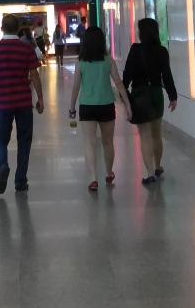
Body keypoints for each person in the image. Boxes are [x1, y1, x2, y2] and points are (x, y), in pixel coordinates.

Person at [0, 13, 44, 194]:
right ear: (18, 29)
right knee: (24, 141)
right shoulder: (26, 49)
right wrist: (40, 98)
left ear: (2, 28)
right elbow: (35, 75)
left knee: (0, 140)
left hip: (3, 104)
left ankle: (2, 165)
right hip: (24, 103)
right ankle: (20, 181)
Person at [67, 27, 131, 191]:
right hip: (106, 106)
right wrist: (128, 105)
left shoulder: (81, 62)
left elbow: (76, 86)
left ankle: (93, 178)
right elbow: (119, 83)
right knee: (108, 142)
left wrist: (72, 108)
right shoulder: (108, 60)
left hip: (87, 106)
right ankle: (109, 173)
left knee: (90, 143)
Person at [122, 18, 177, 185]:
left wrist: (125, 97)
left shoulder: (135, 50)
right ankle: (158, 166)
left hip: (140, 95)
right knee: (156, 133)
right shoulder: (162, 51)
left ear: (142, 33)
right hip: (156, 94)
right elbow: (166, 75)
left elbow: (127, 74)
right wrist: (173, 96)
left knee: (145, 135)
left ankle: (150, 173)